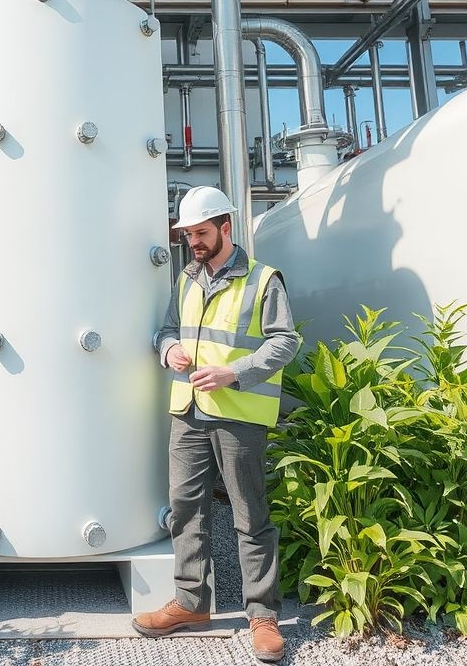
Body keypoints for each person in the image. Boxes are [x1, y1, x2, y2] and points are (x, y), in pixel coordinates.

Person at [132, 185, 301, 663]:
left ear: (226, 227)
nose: (194, 243)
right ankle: (191, 604)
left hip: (238, 415)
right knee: (185, 509)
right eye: (188, 235)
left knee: (250, 516)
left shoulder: (264, 279)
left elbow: (285, 341)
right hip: (187, 412)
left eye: (201, 233)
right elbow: (166, 329)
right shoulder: (186, 279)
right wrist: (168, 350)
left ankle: (263, 616)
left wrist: (235, 373)